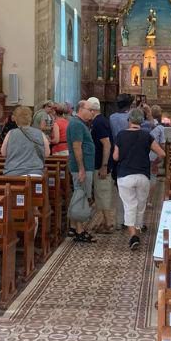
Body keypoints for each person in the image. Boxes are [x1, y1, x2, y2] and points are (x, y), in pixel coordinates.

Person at [113, 108, 165, 250]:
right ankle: (137, 231)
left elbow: (115, 157)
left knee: (129, 205)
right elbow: (162, 153)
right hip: (143, 176)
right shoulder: (146, 135)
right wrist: (154, 164)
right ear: (141, 121)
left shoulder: (121, 135)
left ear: (129, 120)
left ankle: (133, 236)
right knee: (140, 206)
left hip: (125, 175)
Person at [67, 100, 97, 243]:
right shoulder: (77, 124)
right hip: (81, 168)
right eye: (90, 110)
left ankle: (74, 227)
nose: (92, 112)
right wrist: (81, 169)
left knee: (80, 195)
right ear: (81, 109)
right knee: (81, 196)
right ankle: (80, 231)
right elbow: (77, 147)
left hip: (84, 167)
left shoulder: (78, 124)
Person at [88, 97, 115, 233]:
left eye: (88, 110)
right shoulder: (99, 121)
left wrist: (104, 165)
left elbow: (107, 144)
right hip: (98, 164)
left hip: (101, 165)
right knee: (100, 194)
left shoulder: (99, 123)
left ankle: (109, 223)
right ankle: (105, 221)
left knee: (103, 193)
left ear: (92, 110)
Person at [1, 106, 49, 177]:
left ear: (16, 119)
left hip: (13, 173)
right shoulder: (40, 133)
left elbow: (3, 153)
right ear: (30, 119)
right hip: (35, 173)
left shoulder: (10, 133)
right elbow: (47, 154)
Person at [108, 94, 133, 227]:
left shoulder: (112, 117)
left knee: (119, 187)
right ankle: (130, 221)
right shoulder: (131, 117)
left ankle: (119, 220)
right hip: (130, 154)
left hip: (116, 153)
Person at [146, 105, 167, 212]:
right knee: (153, 177)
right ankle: (149, 201)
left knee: (144, 177)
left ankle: (142, 199)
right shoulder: (160, 128)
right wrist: (161, 156)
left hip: (144, 155)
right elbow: (162, 144)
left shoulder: (144, 125)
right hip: (154, 155)